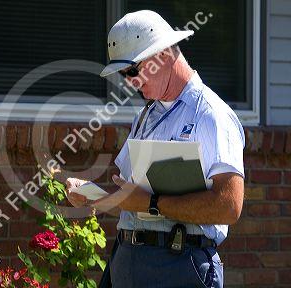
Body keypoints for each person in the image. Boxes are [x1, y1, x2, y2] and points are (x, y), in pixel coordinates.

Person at [65, 10, 245, 288]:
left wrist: (152, 203)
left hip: (180, 263)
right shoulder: (146, 115)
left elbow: (229, 206)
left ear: (162, 54)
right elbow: (132, 200)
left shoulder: (211, 114)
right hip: (129, 261)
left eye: (132, 70)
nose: (129, 81)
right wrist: (93, 197)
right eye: (123, 74)